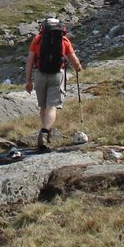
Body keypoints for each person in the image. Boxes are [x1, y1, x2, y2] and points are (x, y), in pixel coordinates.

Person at [24, 17, 83, 149]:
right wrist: (78, 68)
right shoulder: (64, 40)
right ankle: (45, 131)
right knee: (52, 106)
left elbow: (29, 61)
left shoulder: (38, 39)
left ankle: (45, 133)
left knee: (43, 106)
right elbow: (75, 62)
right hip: (57, 75)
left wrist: (28, 81)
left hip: (40, 74)